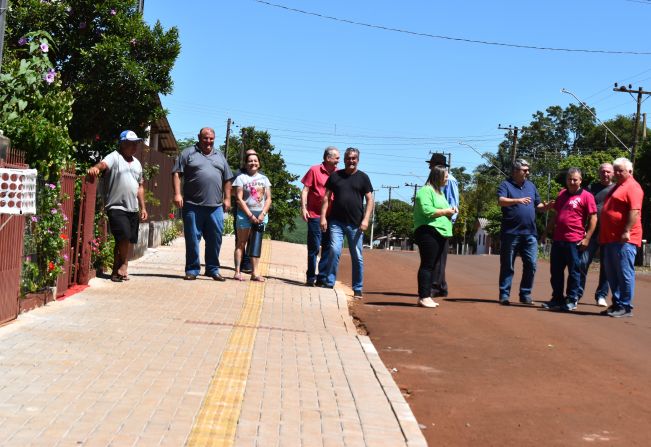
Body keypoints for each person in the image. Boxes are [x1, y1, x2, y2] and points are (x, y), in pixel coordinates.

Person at [172, 127, 233, 281]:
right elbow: (176, 173)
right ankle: (192, 269)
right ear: (199, 137)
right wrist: (178, 194)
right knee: (192, 239)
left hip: (215, 207)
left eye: (211, 138)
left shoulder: (220, 156)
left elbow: (227, 179)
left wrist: (227, 199)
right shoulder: (188, 153)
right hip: (193, 206)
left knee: (215, 239)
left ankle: (212, 269)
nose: (208, 141)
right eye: (205, 138)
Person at [87, 130, 148, 282]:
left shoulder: (137, 163)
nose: (134, 146)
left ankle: (116, 273)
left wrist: (143, 207)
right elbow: (103, 164)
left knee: (124, 240)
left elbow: (140, 186)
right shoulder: (115, 156)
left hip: (132, 207)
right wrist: (96, 168)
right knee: (124, 235)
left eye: (136, 143)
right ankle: (125, 264)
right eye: (130, 143)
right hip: (115, 206)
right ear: (122, 144)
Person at [320, 147, 374, 298]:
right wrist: (323, 217)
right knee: (334, 250)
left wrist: (366, 219)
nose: (351, 161)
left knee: (357, 256)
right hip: (336, 222)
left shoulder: (363, 178)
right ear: (344, 160)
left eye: (354, 158)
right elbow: (326, 197)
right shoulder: (335, 176)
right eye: (349, 158)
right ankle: (329, 282)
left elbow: (370, 200)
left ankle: (357, 288)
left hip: (356, 224)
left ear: (358, 160)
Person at [542, 168, 597, 311]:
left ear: (580, 181)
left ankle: (572, 299)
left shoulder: (587, 196)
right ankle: (557, 299)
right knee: (556, 272)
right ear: (566, 180)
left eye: (575, 179)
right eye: (569, 179)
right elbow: (556, 215)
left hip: (575, 241)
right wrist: (545, 232)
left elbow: (593, 218)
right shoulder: (561, 195)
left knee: (574, 272)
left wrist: (587, 238)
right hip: (558, 239)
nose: (572, 182)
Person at [497, 159, 549, 305]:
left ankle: (525, 293)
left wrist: (546, 207)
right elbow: (500, 200)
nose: (527, 172)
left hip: (530, 233)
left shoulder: (531, 186)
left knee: (531, 264)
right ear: (515, 171)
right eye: (524, 170)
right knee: (508, 265)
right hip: (510, 233)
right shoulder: (505, 184)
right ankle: (504, 294)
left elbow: (537, 205)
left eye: (528, 170)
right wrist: (518, 200)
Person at [599, 157, 644, 318]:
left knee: (624, 273)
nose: (617, 173)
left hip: (625, 239)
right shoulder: (618, 186)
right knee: (612, 273)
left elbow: (634, 211)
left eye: (620, 170)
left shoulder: (633, 187)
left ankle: (626, 306)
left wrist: (626, 231)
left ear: (629, 171)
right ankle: (617, 303)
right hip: (610, 238)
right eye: (615, 170)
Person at [413, 166, 457, 308]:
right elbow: (427, 210)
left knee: (434, 266)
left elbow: (441, 209)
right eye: (445, 176)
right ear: (437, 176)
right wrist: (445, 211)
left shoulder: (439, 192)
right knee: (427, 265)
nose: (447, 179)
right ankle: (423, 296)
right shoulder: (425, 191)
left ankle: (427, 295)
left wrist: (451, 211)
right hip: (428, 232)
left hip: (441, 232)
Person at [301, 146, 340, 287]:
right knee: (314, 247)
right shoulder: (314, 170)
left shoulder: (338, 173)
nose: (338, 160)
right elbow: (305, 190)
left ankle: (322, 277)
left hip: (332, 216)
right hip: (314, 214)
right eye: (336, 158)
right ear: (328, 158)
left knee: (328, 248)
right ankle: (311, 276)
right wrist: (303, 207)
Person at [578, 163, 614, 307]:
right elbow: (582, 208)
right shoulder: (591, 189)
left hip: (609, 235)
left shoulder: (617, 189)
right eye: (603, 172)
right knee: (582, 263)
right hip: (591, 233)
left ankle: (601, 296)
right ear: (599, 173)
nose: (605, 174)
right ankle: (577, 293)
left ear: (612, 173)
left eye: (608, 172)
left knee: (606, 267)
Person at [232, 152, 271, 281]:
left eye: (255, 161)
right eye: (250, 161)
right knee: (241, 243)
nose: (253, 163)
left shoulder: (264, 179)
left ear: (259, 163)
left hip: (260, 216)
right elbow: (238, 199)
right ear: (246, 163)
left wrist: (262, 214)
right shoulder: (241, 178)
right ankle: (237, 272)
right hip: (245, 215)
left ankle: (255, 273)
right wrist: (250, 216)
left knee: (256, 244)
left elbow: (268, 199)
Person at [426, 153, 459, 298]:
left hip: (443, 221)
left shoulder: (450, 180)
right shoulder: (433, 180)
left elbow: (454, 202)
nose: (429, 166)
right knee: (438, 255)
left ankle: (435, 286)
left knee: (438, 257)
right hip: (434, 221)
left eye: (432, 164)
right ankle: (442, 286)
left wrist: (449, 221)